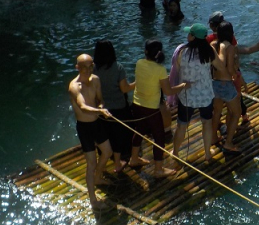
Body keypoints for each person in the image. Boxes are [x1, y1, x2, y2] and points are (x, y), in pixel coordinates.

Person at [170, 24, 229, 168]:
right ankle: (208, 154)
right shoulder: (208, 51)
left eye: (189, 33)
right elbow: (221, 67)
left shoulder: (182, 51)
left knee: (182, 126)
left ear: (192, 37)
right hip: (205, 96)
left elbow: (175, 71)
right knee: (207, 123)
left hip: (187, 96)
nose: (187, 35)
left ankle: (176, 152)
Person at [129, 39, 186, 177]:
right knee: (159, 138)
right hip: (150, 109)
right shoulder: (160, 69)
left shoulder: (139, 63)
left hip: (136, 104)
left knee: (139, 131)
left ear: (145, 52)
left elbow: (146, 79)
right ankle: (158, 169)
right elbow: (168, 91)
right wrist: (184, 85)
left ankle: (134, 159)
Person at [67, 53, 113, 208]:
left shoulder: (96, 80)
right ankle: (93, 200)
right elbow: (82, 107)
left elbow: (100, 99)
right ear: (77, 68)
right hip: (84, 127)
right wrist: (100, 112)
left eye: (90, 66)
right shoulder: (74, 86)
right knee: (91, 163)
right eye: (83, 67)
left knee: (107, 152)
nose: (87, 70)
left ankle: (98, 178)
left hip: (97, 123)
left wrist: (101, 106)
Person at [93, 40, 135, 173]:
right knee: (118, 136)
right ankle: (117, 164)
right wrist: (138, 82)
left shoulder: (93, 69)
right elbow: (124, 89)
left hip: (100, 109)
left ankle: (103, 166)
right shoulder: (118, 67)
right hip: (118, 108)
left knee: (103, 136)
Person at [206, 11, 249, 124]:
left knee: (216, 107)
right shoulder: (230, 39)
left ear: (212, 25)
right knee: (236, 103)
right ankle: (243, 115)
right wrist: (237, 75)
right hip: (229, 76)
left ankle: (216, 126)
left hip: (215, 76)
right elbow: (234, 57)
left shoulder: (209, 39)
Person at [210, 21, 242, 155]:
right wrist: (236, 74)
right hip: (226, 84)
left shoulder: (213, 45)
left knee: (217, 111)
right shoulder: (230, 48)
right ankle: (228, 143)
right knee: (236, 113)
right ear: (231, 33)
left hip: (214, 83)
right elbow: (229, 68)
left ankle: (213, 138)